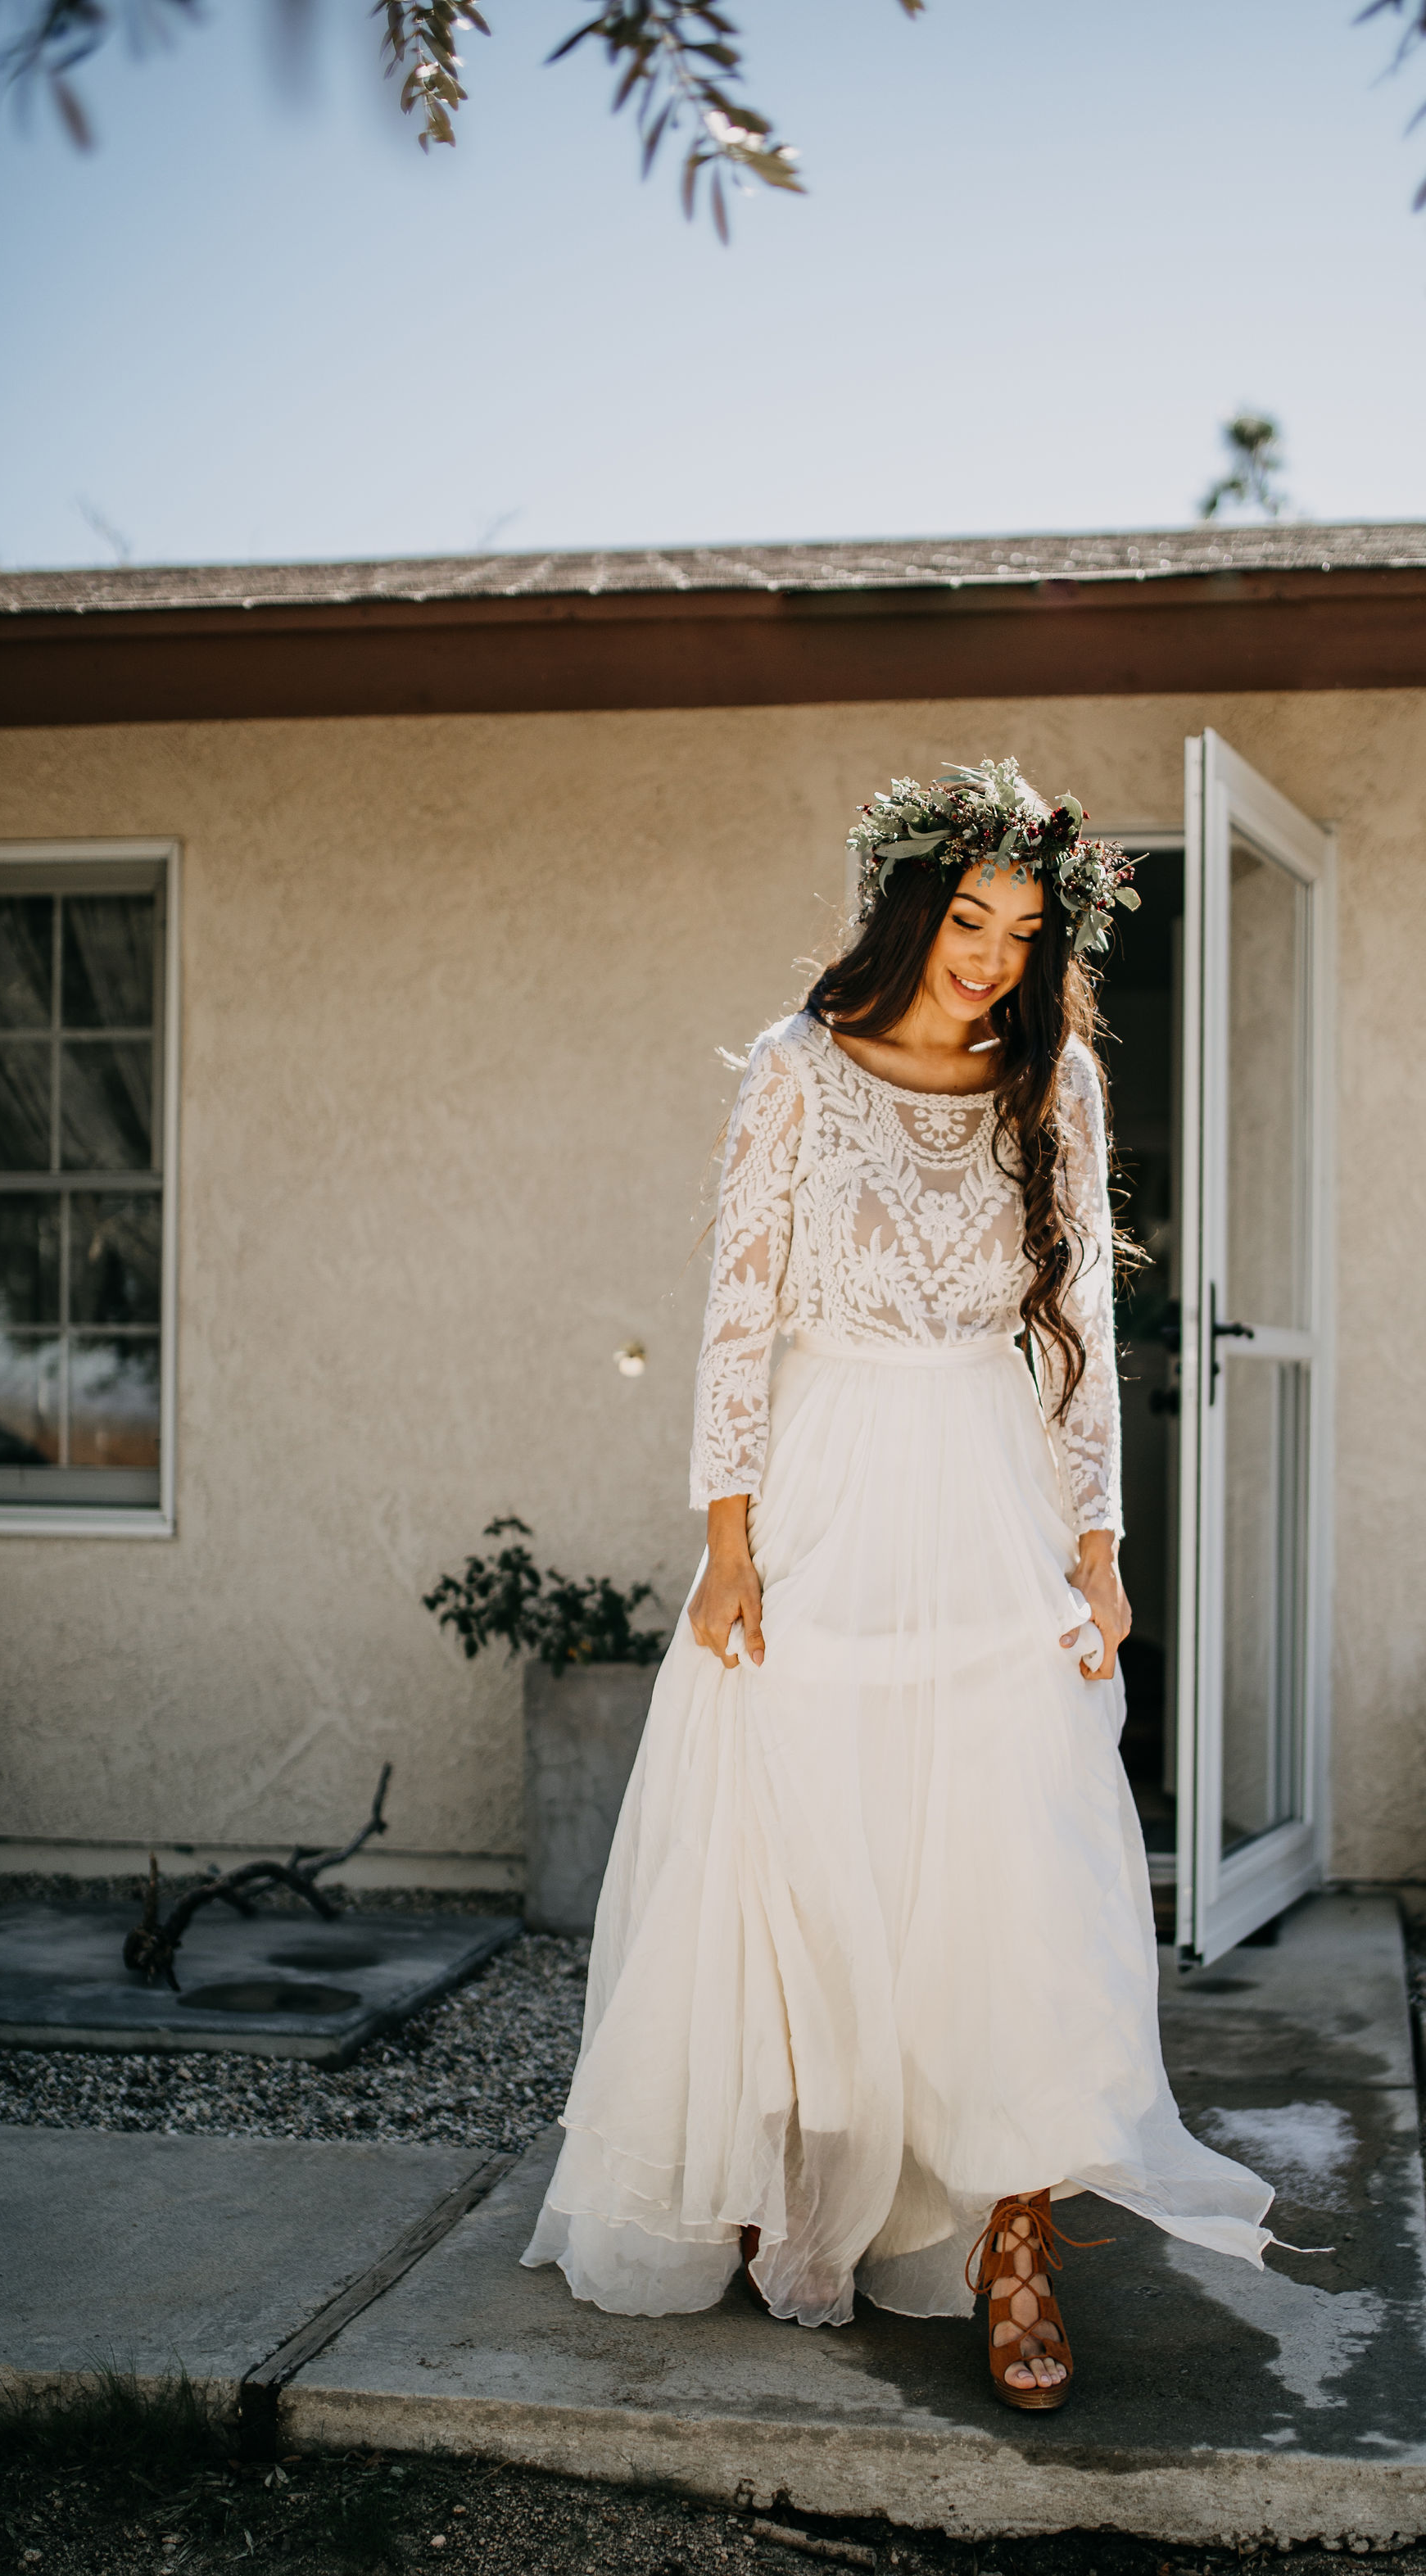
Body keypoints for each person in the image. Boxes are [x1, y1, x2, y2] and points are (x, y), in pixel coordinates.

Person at [523, 761, 1276, 2410]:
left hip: (993, 1488)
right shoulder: (797, 1071)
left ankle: (1018, 2247)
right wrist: (725, 1538)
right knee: (814, 1848)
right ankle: (806, 2186)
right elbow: (733, 1309)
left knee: (1016, 1855)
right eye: (966, 918)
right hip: (824, 1489)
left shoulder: (1054, 1080)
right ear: (911, 909)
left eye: (1020, 928)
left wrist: (1102, 1552)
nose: (989, 954)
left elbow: (1078, 1348)